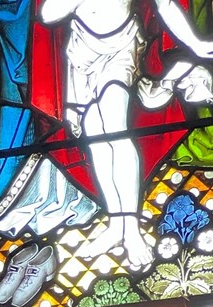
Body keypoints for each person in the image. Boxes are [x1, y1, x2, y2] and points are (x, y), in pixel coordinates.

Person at [39, 0, 213, 267]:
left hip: (122, 49)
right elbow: (48, 14)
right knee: (96, 137)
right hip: (80, 53)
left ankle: (131, 229)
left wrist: (196, 44)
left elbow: (165, 5)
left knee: (116, 129)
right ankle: (116, 223)